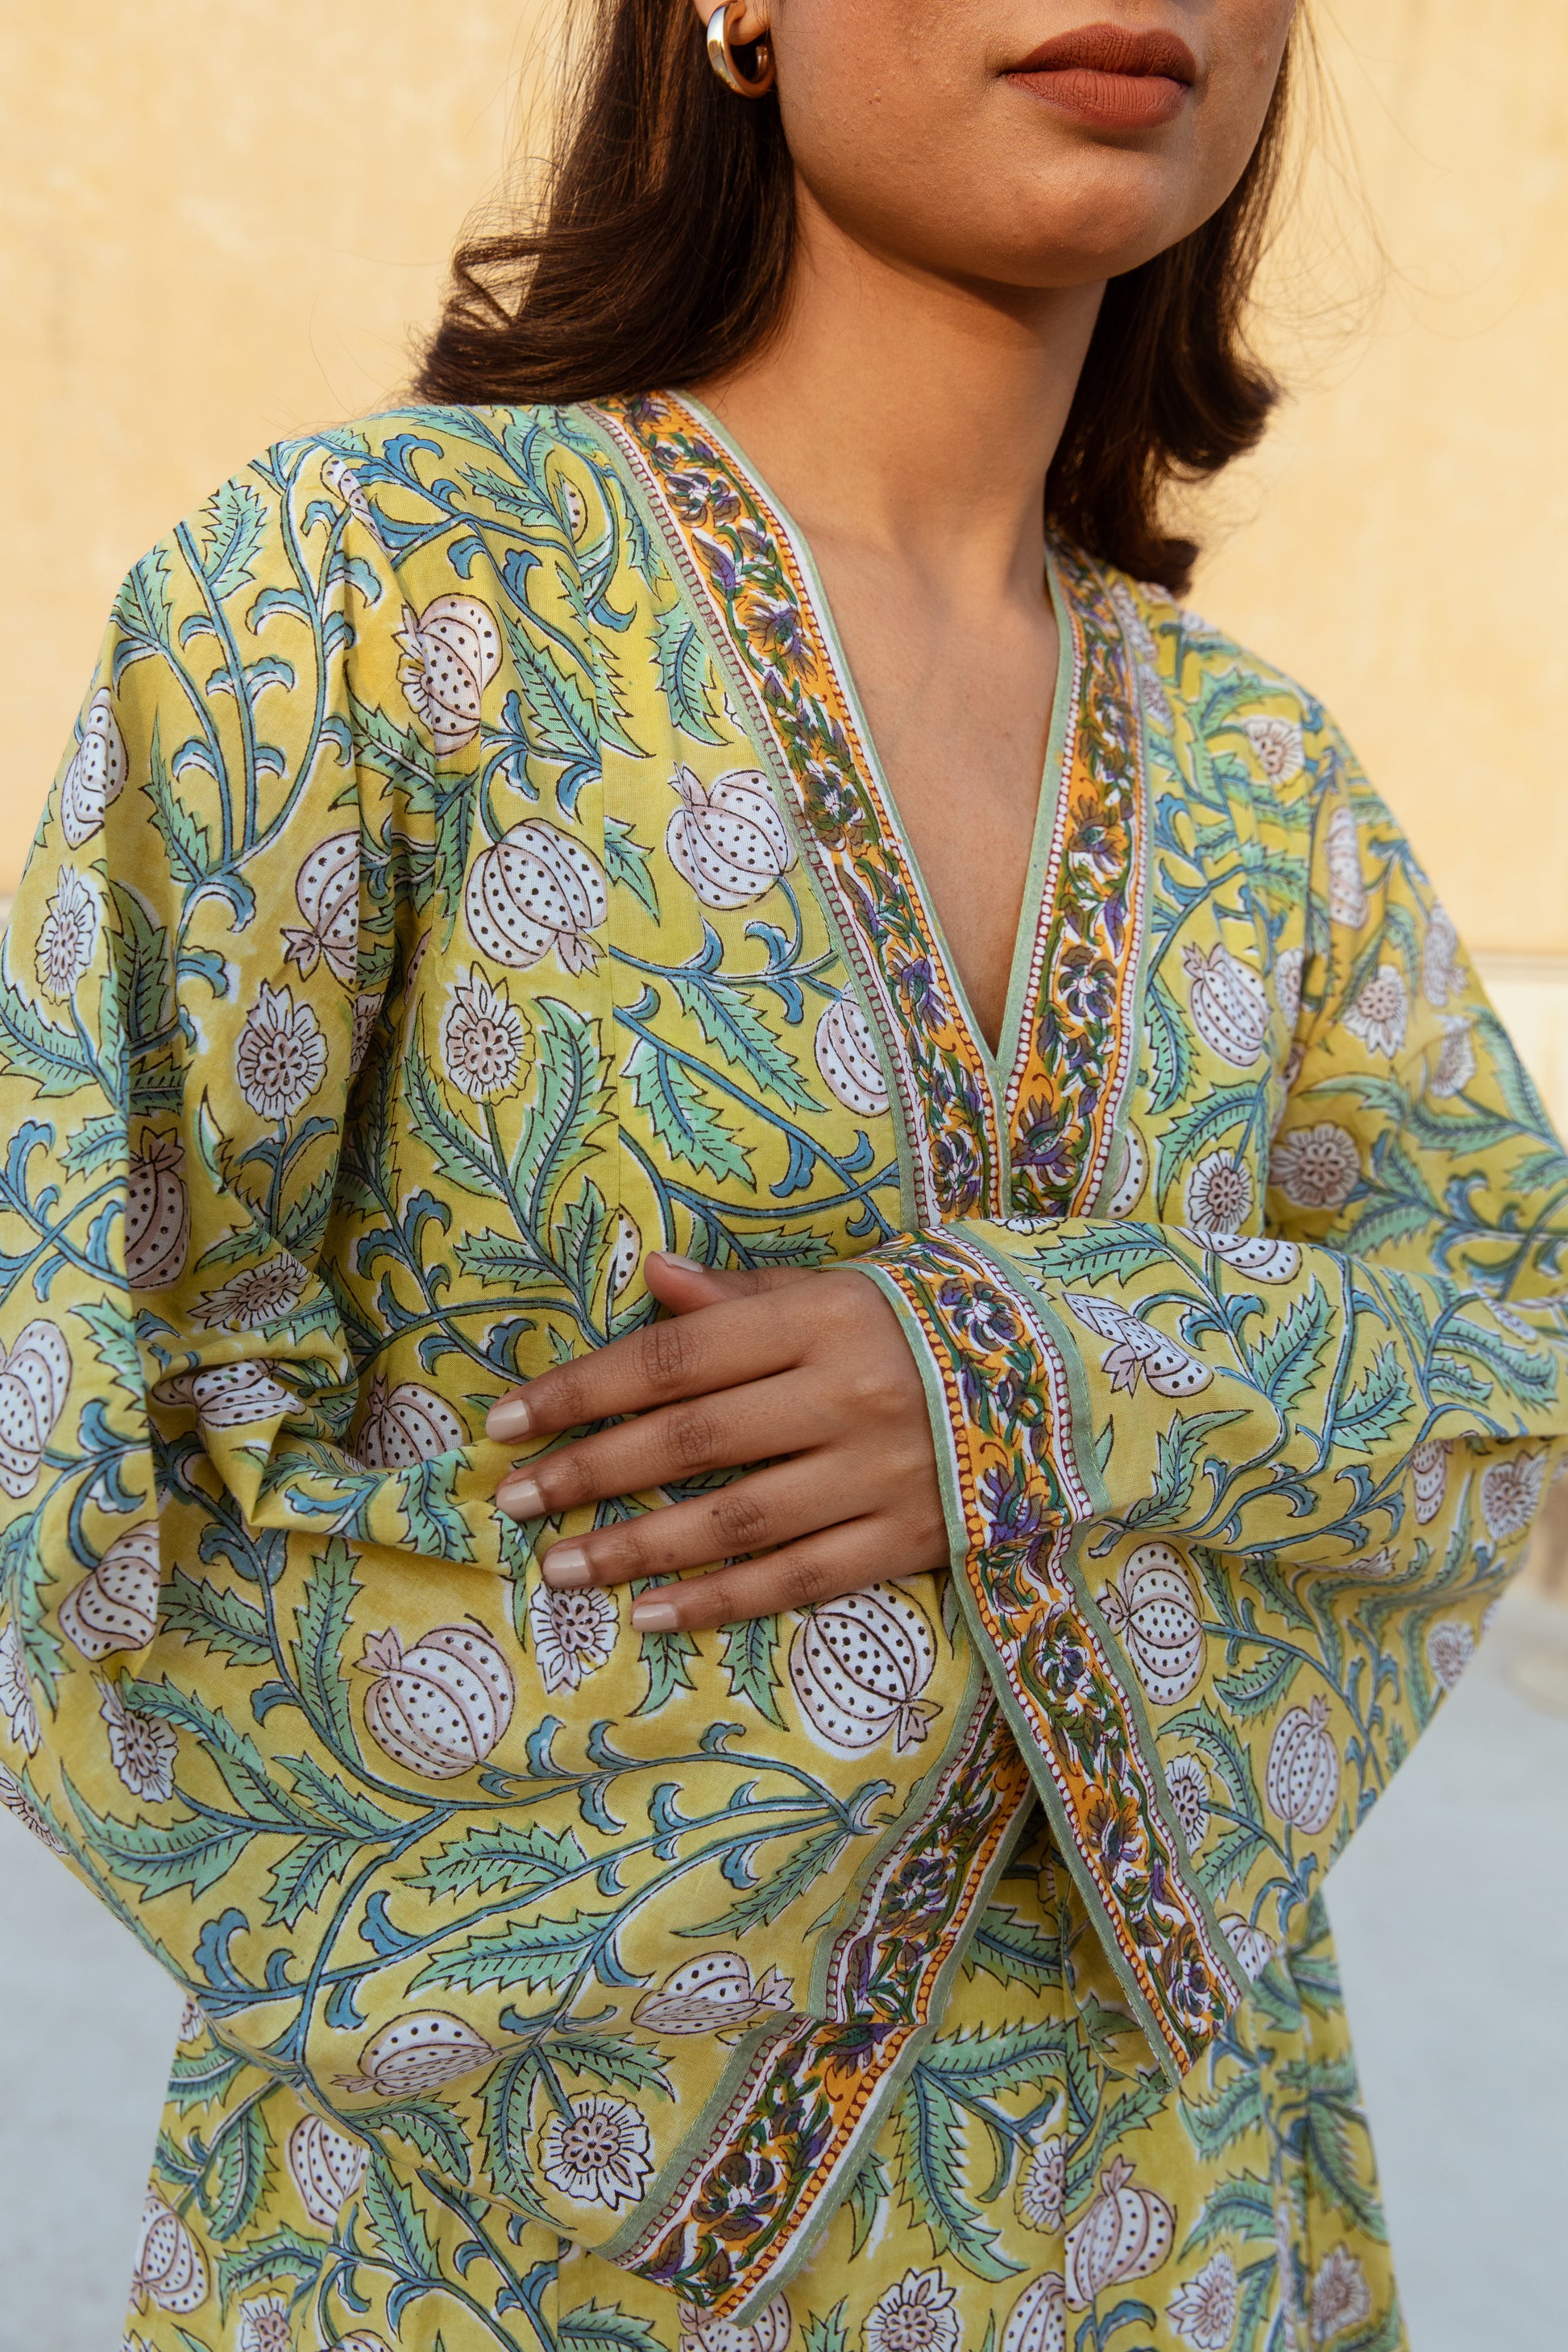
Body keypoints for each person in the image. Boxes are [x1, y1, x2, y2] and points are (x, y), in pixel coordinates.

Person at [1, 2, 1560, 2346]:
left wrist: (1036, 1375)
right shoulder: (364, 594)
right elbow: (73, 1395)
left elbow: (1511, 1335)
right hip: (498, 2243)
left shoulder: (1266, 782)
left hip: (1163, 2240)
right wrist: (799, 1741)